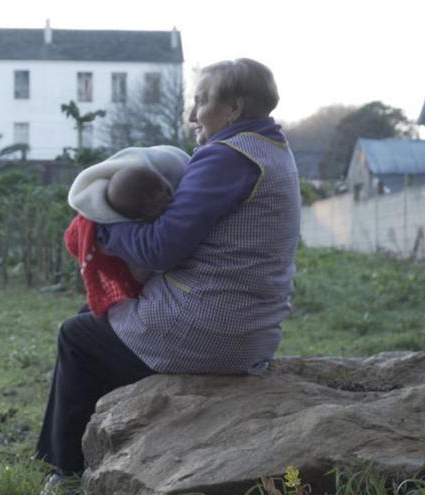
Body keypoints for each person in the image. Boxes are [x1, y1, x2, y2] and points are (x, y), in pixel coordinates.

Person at [36, 58, 300, 494]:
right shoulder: (273, 149)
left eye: (201, 102)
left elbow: (162, 247)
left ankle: (65, 471)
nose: (193, 115)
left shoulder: (225, 157)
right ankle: (109, 439)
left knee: (77, 336)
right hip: (248, 326)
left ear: (232, 109)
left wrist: (103, 229)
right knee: (97, 318)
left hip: (209, 328)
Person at [63, 146, 190, 316]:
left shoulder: (175, 180)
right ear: (136, 215)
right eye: (154, 206)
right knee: (83, 318)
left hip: (162, 298)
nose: (167, 200)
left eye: (167, 192)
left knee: (80, 323)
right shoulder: (118, 228)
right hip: (145, 294)